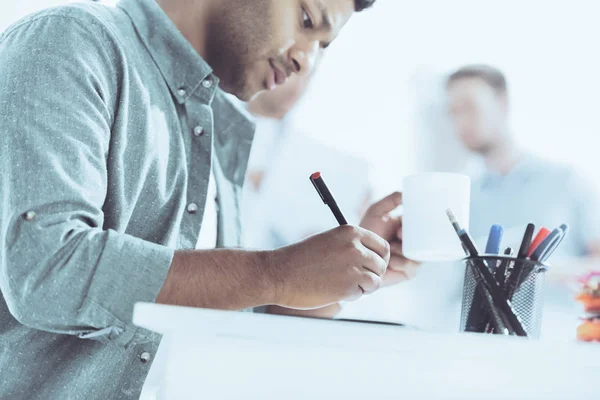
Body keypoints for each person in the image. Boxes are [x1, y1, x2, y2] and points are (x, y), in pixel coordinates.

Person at [0, 0, 417, 398]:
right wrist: (276, 272)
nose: (305, 61)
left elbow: (226, 319)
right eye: (307, 20)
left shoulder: (219, 129)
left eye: (322, 48)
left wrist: (355, 272)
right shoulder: (74, 41)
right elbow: (47, 270)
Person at [446, 64, 600, 258]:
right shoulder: (464, 197)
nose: (460, 123)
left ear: (503, 103)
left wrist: (545, 274)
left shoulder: (568, 181)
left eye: (470, 107)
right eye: (453, 112)